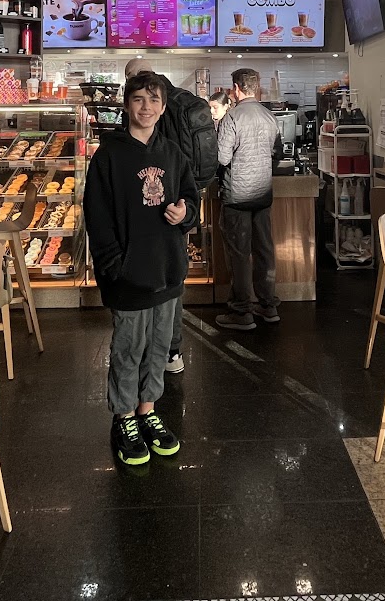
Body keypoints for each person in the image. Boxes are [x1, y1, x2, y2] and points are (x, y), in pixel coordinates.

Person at [86, 71, 199, 466]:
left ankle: (148, 410)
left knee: (158, 348)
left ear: (163, 107)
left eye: (153, 100)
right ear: (126, 105)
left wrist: (185, 213)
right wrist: (115, 267)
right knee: (129, 348)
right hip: (128, 275)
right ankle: (124, 417)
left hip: (168, 269)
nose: (146, 107)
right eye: (138, 99)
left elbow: (191, 198)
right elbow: (97, 217)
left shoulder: (173, 153)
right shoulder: (108, 156)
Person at [122, 58, 217, 375]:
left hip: (154, 202)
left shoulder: (148, 110)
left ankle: (149, 349)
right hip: (181, 202)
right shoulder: (184, 99)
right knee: (172, 276)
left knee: (153, 275)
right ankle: (171, 351)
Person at [214, 68, 281, 331]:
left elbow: (222, 158)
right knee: (264, 250)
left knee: (239, 255)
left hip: (237, 196)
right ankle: (268, 306)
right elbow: (276, 152)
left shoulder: (232, 117)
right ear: (256, 87)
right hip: (262, 195)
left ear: (235, 88)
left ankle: (241, 312)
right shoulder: (269, 115)